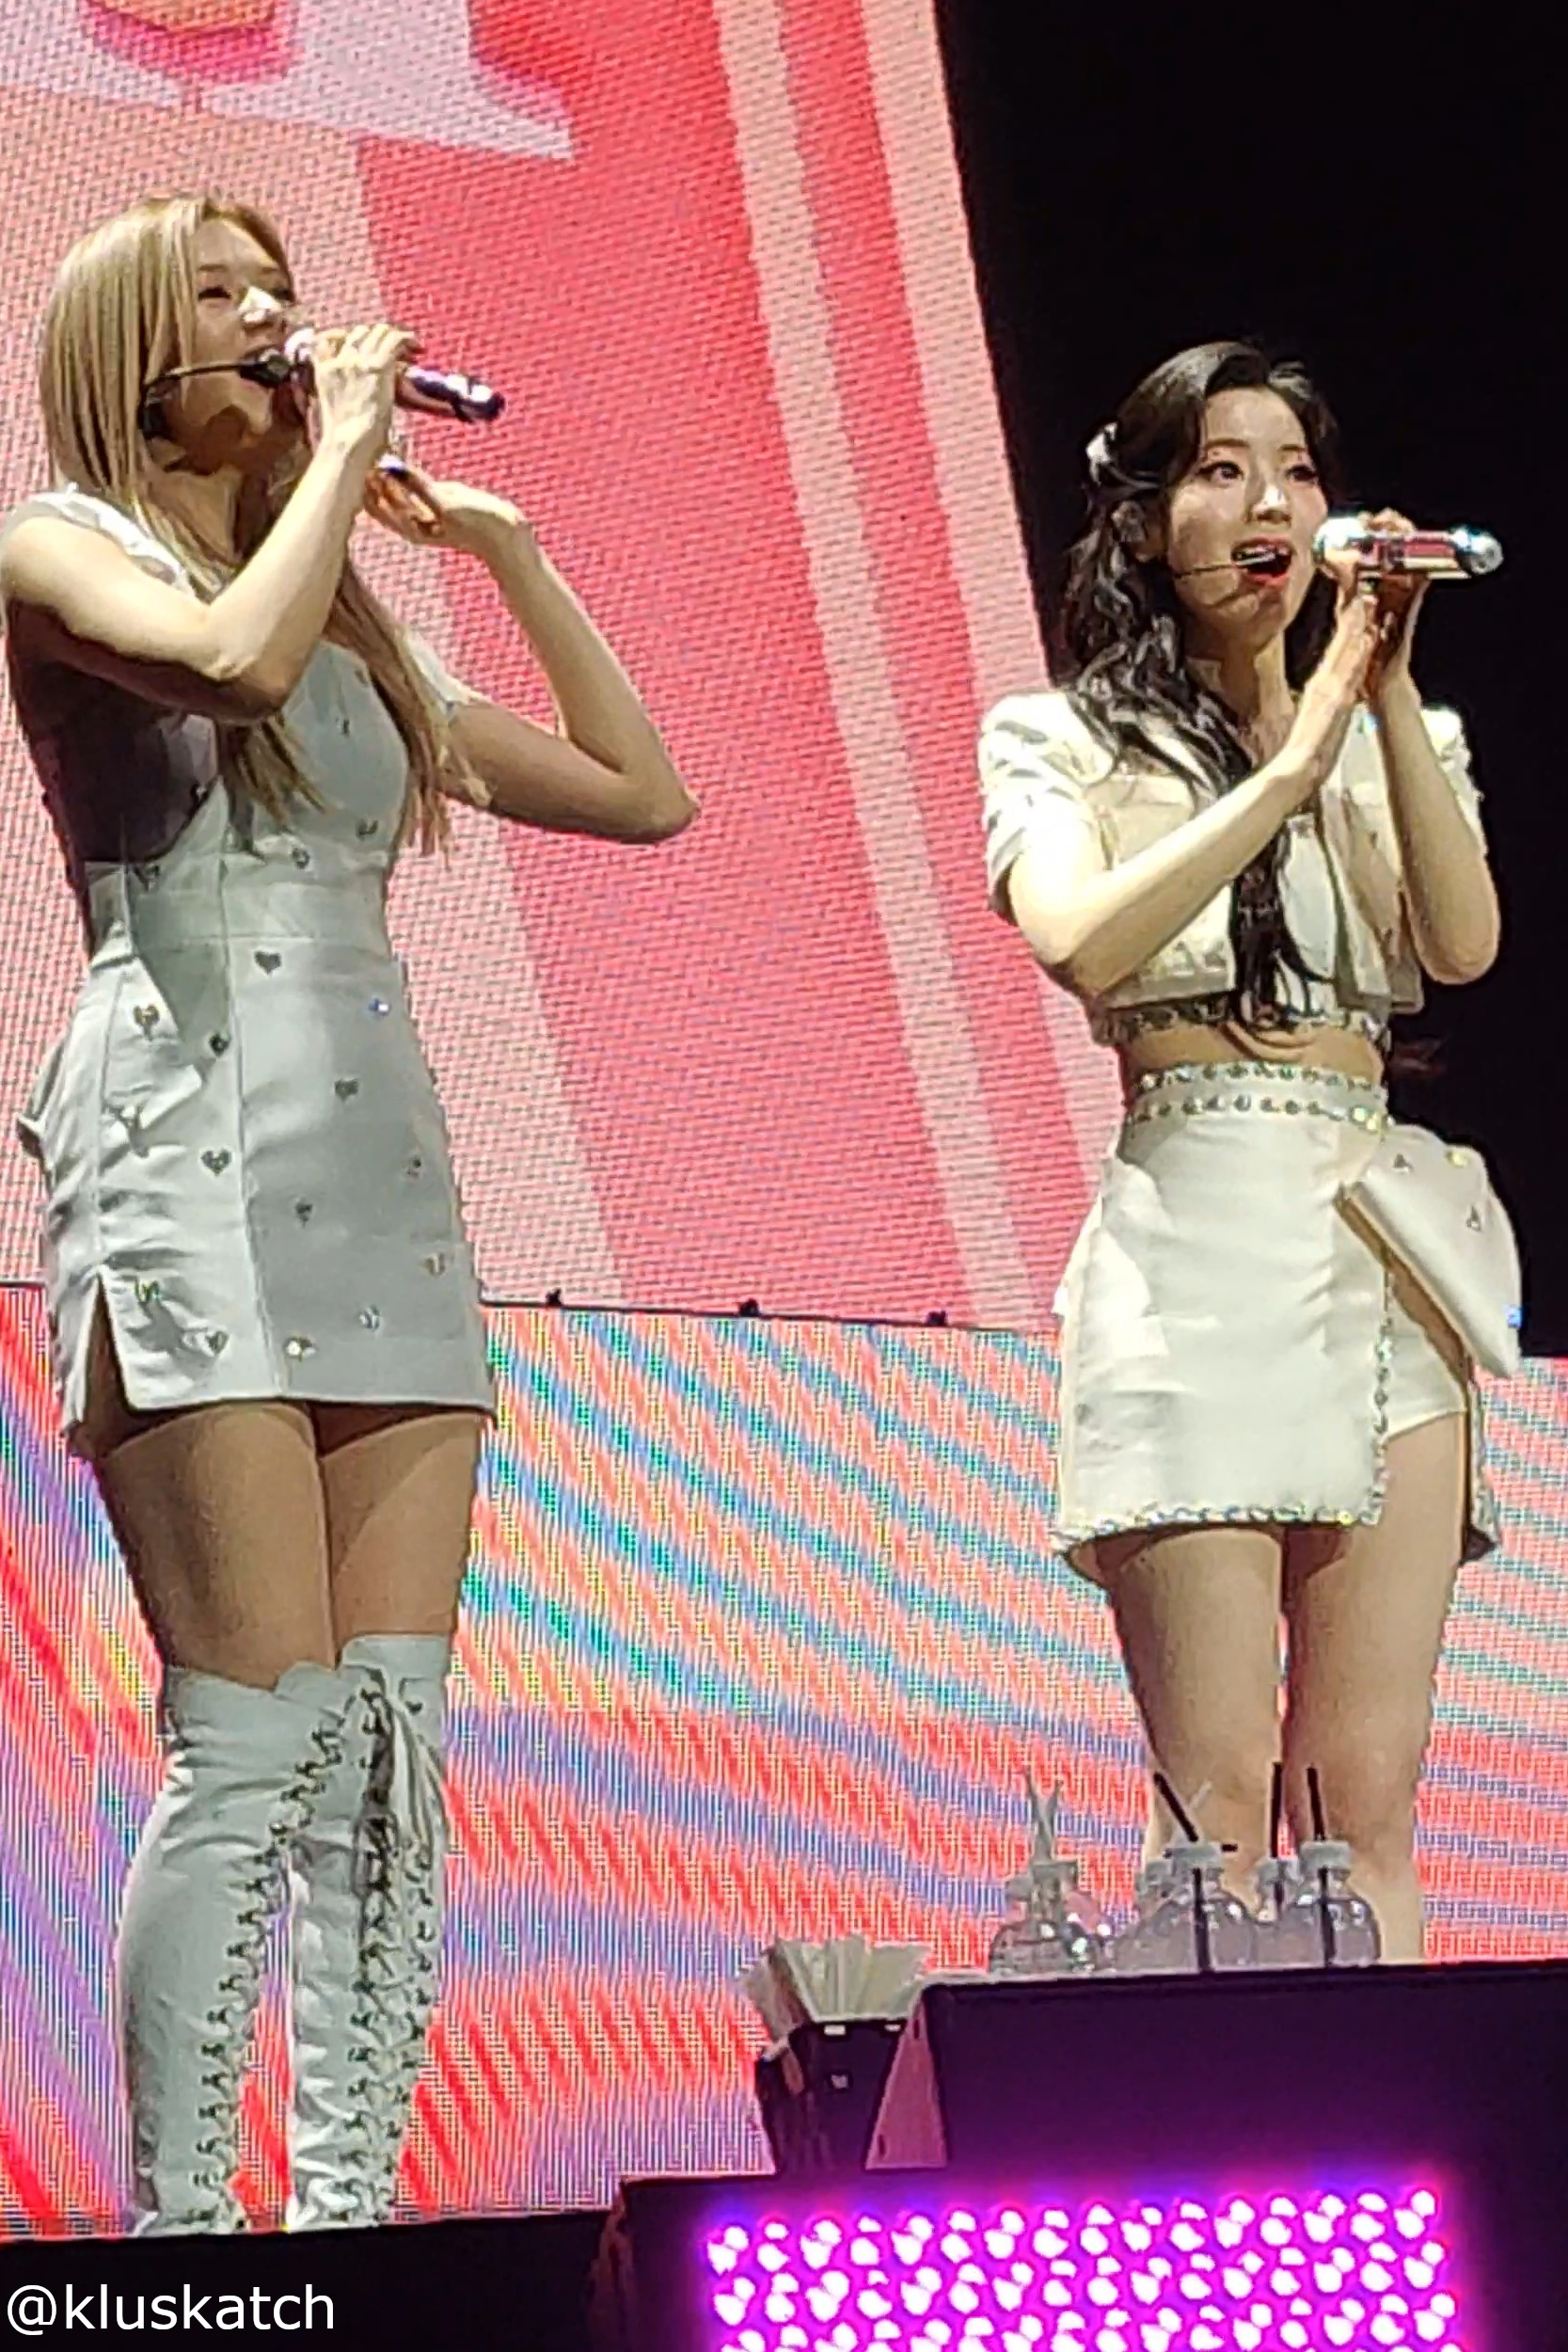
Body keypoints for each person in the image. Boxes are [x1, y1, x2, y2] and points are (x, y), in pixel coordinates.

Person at [0, 192, 696, 2233]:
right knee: (256, 1736)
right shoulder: (57, 546)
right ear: (133, 355)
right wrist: (349, 455)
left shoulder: (356, 624)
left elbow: (640, 791)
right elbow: (227, 664)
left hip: (373, 1161)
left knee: (387, 1746)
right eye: (224, 296)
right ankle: (188, 2238)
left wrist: (502, 551)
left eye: (281, 290)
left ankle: (356, 2229)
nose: (276, 320)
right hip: (183, 1135)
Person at [980, 340, 1517, 1963]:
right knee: (1215, 1800)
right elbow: (1080, 938)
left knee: (1366, 1798)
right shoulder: (1059, 740)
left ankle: (1396, 2094)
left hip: (1379, 1253)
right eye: (1222, 469)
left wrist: (1382, 687)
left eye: (1295, 469)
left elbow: (1460, 945)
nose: (1269, 502)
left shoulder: (1390, 728)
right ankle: (1221, 2094)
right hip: (1189, 1242)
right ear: (1147, 521)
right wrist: (1285, 765)